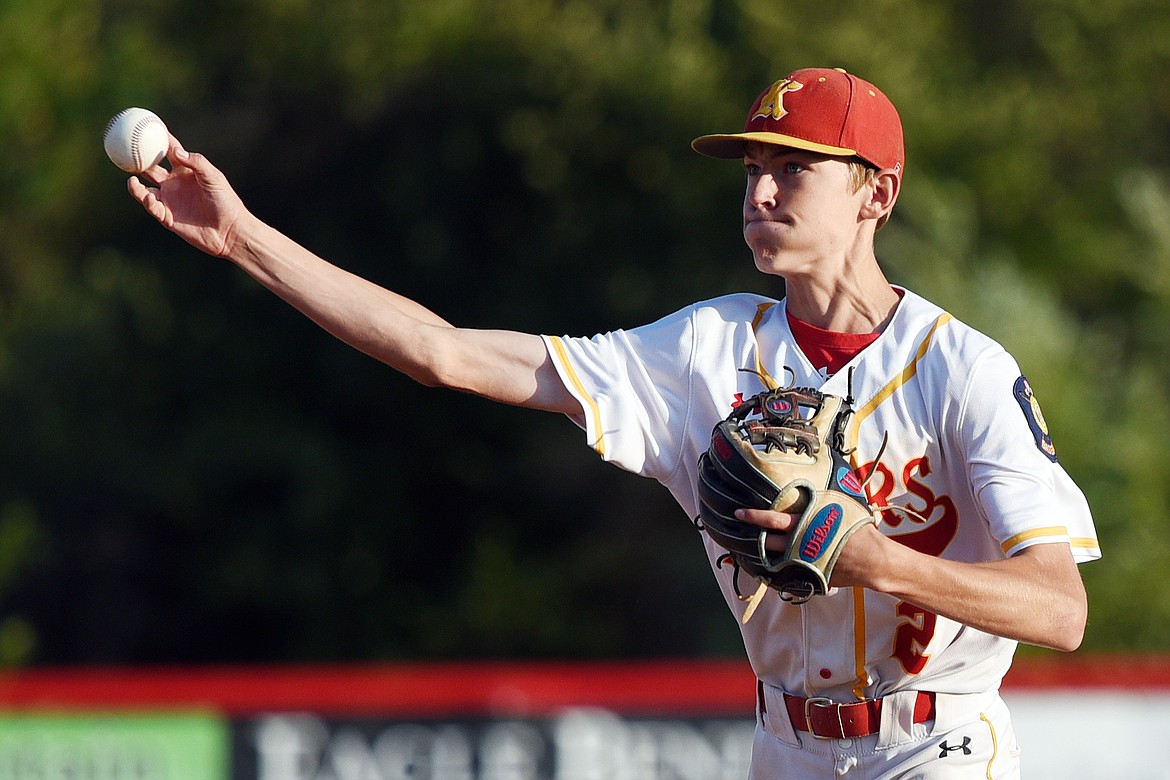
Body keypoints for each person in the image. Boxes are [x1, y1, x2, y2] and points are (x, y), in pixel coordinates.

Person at [126, 67, 1099, 779]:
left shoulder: (962, 370)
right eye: (753, 167)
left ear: (875, 195)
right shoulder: (704, 351)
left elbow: (1059, 610)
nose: (759, 192)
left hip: (936, 745)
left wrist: (878, 559)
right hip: (782, 746)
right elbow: (444, 354)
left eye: (794, 170)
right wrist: (244, 239)